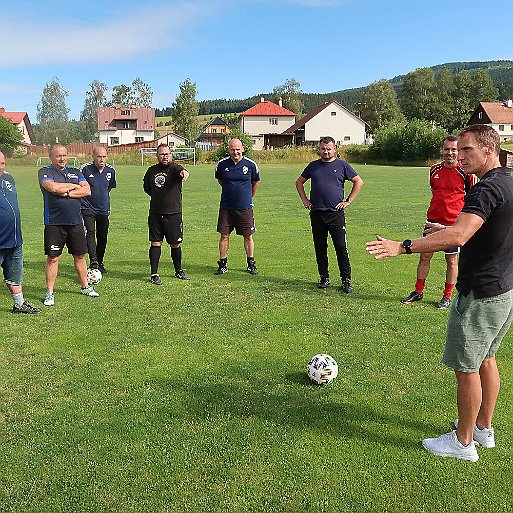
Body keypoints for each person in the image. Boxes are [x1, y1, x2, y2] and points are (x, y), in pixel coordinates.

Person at [366, 125, 513, 462]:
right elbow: (483, 229)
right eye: (457, 151)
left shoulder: (484, 190)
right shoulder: (508, 180)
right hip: (505, 288)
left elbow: (460, 237)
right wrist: (447, 229)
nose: (459, 158)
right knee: (487, 359)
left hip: (480, 293)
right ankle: (482, 429)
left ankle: (462, 443)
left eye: (466, 151)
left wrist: (402, 246)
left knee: (467, 368)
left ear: (489, 148)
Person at [401, 136, 478, 309]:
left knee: (451, 261)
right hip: (432, 222)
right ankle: (418, 291)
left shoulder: (467, 174)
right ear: (441, 150)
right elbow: (435, 192)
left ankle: (447, 296)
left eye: (453, 150)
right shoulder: (434, 170)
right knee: (424, 257)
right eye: (447, 149)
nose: (450, 153)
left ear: (458, 152)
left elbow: (472, 199)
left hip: (453, 225)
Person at [296, 136, 364, 293]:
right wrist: (305, 200)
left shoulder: (342, 165)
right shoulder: (313, 166)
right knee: (320, 247)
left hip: (335, 214)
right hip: (317, 213)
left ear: (335, 149)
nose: (325, 152)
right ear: (319, 149)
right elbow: (299, 182)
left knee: (341, 247)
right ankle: (324, 277)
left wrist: (348, 201)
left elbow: (358, 181)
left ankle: (346, 280)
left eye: (328, 149)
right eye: (323, 149)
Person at [38, 143, 99, 306]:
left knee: (79, 256)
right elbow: (51, 187)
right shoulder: (45, 172)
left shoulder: (75, 171)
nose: (62, 158)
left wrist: (64, 192)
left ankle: (85, 286)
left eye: (64, 155)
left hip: (75, 222)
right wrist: (73, 187)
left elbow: (87, 191)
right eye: (58, 156)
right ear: (51, 157)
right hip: (54, 223)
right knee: (53, 258)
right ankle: (50, 293)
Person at [0, 151, 41, 314]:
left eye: (2, 163)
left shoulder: (8, 178)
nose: (0, 167)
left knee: (15, 275)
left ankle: (19, 304)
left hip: (14, 238)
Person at [143, 143, 190, 285]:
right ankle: (154, 274)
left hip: (173, 213)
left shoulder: (175, 168)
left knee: (175, 244)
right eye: (162, 154)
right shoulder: (151, 171)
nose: (165, 156)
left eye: (167, 154)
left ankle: (178, 271)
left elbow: (181, 170)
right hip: (156, 214)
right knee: (156, 243)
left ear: (171, 155)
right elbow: (147, 188)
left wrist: (184, 173)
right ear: (157, 156)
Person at [214, 138, 260, 276]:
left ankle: (251, 264)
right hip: (226, 207)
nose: (235, 152)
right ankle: (222, 264)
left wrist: (247, 197)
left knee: (248, 236)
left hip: (245, 207)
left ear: (242, 149)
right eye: (232, 149)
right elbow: (220, 180)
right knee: (224, 235)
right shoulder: (221, 165)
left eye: (238, 149)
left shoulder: (251, 165)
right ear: (228, 150)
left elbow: (255, 182)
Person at [80, 146, 117, 274]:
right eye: (99, 156)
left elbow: (109, 188)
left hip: (103, 208)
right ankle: (93, 261)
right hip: (87, 207)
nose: (102, 159)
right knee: (90, 232)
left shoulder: (111, 171)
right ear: (93, 157)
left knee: (103, 236)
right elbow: (79, 186)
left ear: (107, 157)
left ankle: (100, 262)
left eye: (104, 157)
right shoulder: (85, 169)